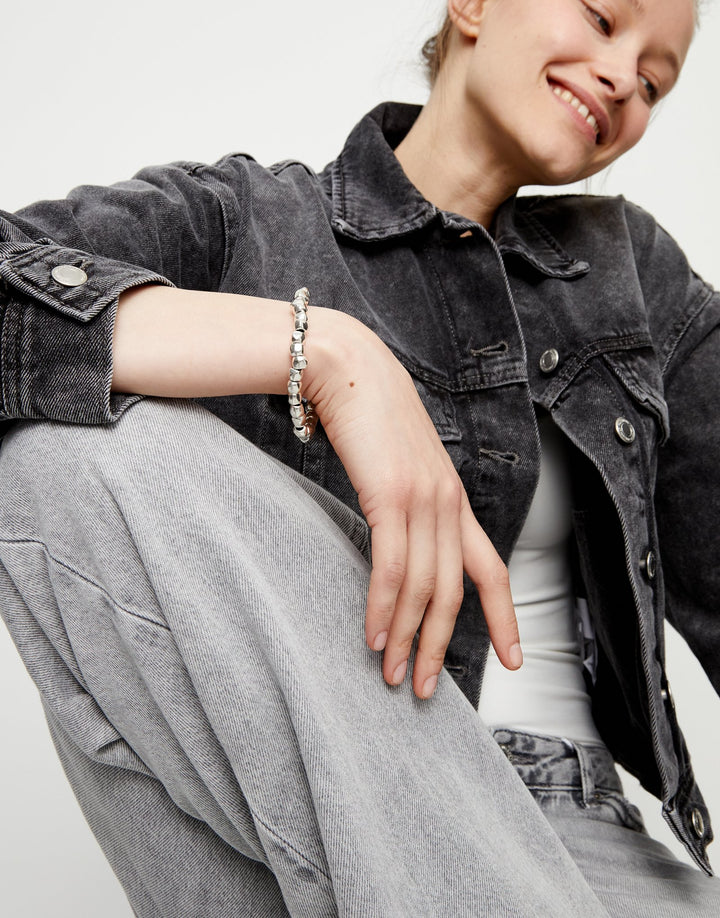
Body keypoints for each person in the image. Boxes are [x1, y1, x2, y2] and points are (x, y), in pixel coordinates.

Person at [0, 0, 719, 914]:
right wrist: (325, 353)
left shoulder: (635, 278)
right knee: (61, 451)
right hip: (298, 804)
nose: (622, 80)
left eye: (655, 82)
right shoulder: (250, 222)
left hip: (580, 844)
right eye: (603, 17)